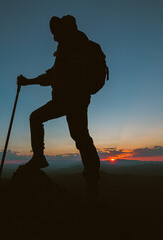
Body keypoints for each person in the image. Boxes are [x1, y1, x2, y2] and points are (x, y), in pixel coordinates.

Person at [17, 15, 101, 199]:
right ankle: (40, 158)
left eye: (57, 32)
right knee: (39, 119)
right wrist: (28, 82)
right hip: (64, 99)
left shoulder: (75, 46)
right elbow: (53, 76)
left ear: (65, 29)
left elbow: (58, 76)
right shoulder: (67, 48)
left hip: (73, 99)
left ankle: (92, 184)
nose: (55, 36)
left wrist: (28, 82)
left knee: (80, 138)